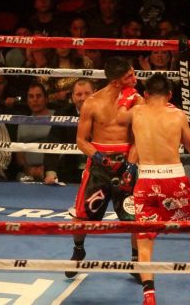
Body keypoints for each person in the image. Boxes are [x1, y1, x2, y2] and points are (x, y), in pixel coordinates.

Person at [117, 72, 190, 305]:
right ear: (169, 94)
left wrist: (128, 95)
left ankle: (149, 297)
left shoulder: (137, 112)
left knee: (145, 237)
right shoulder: (177, 115)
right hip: (174, 179)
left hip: (146, 180)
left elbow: (120, 117)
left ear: (146, 94)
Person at [66, 56, 143, 281]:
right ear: (117, 82)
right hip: (99, 167)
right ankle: (78, 251)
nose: (135, 78)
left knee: (135, 217)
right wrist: (100, 158)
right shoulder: (92, 103)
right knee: (81, 216)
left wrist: (131, 164)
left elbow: (138, 138)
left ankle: (136, 262)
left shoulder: (137, 102)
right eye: (129, 76)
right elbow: (81, 141)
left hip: (127, 162)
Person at [44, 78, 95, 184]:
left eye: (87, 93)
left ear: (94, 94)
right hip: (69, 170)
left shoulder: (104, 114)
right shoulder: (63, 114)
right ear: (72, 97)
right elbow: (53, 141)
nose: (83, 98)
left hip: (96, 170)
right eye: (79, 94)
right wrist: (50, 172)